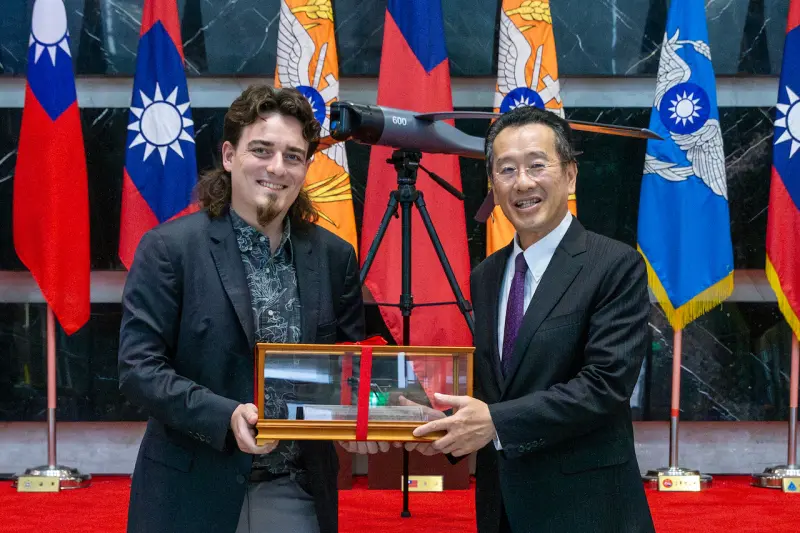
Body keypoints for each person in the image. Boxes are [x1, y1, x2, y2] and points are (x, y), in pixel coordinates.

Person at [118, 84, 381, 533]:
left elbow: (349, 367)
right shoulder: (168, 249)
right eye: (261, 150)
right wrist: (226, 416)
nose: (276, 168)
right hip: (191, 493)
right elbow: (138, 370)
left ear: (306, 167)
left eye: (293, 156)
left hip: (296, 492)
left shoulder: (335, 257)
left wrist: (366, 416)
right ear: (228, 155)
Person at [410, 106, 656, 532]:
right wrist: (444, 428)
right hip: (502, 506)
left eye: (536, 165)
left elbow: (605, 385)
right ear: (493, 184)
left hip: (586, 509)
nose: (522, 183)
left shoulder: (615, 265)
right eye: (506, 170)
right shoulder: (486, 275)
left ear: (570, 175)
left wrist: (494, 423)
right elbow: (497, 385)